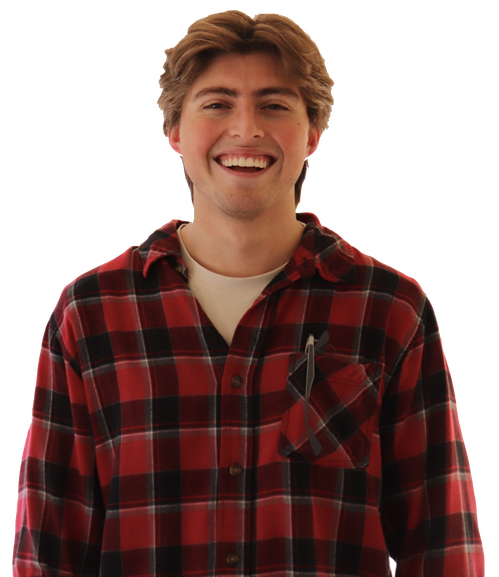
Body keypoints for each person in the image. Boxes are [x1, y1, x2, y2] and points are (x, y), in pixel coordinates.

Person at [11, 8, 486, 576]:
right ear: (174, 132)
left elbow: (443, 545)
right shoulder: (90, 312)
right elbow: (47, 550)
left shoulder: (390, 308)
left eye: (274, 105)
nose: (246, 129)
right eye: (217, 104)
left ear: (313, 134)